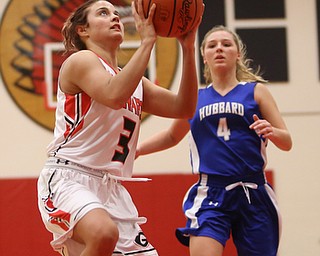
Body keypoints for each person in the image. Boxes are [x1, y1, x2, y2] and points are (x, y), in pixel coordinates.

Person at [37, 0, 202, 255]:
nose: (115, 17)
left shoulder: (134, 81)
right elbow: (113, 95)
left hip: (111, 187)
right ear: (83, 30)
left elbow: (184, 108)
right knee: (104, 232)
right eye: (103, 13)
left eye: (116, 13)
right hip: (69, 180)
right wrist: (148, 41)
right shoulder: (81, 61)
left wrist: (188, 48)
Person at [136, 25, 292, 256]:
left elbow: (286, 141)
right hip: (211, 191)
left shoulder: (256, 92)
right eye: (212, 45)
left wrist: (272, 131)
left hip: (253, 189)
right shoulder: (195, 98)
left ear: (238, 53)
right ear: (204, 56)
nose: (219, 49)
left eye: (226, 44)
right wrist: (137, 149)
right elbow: (171, 136)